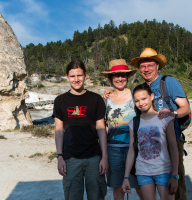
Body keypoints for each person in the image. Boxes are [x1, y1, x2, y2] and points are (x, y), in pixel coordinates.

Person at [130, 48, 191, 200]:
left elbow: (185, 108)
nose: (146, 69)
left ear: (157, 65)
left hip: (172, 140)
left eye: (150, 65)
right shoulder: (143, 89)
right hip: (151, 144)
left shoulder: (168, 82)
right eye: (143, 66)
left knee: (175, 186)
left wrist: (172, 114)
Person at [53, 60, 108, 200]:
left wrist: (105, 157)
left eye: (79, 75)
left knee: (97, 196)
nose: (76, 79)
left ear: (85, 75)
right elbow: (59, 130)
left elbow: (101, 129)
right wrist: (59, 156)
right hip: (70, 158)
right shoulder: (60, 100)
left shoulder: (96, 99)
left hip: (94, 158)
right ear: (67, 77)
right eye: (72, 76)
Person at [122, 83, 179, 200]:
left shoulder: (165, 119)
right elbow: (132, 150)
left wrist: (174, 175)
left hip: (164, 171)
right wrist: (126, 177)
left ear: (152, 96)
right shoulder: (134, 122)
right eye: (137, 100)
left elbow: (173, 147)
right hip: (143, 172)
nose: (141, 103)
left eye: (144, 99)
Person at [101, 59, 143, 200]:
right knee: (118, 190)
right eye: (116, 75)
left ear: (127, 77)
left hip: (135, 148)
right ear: (111, 78)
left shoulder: (135, 95)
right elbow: (104, 125)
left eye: (123, 75)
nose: (120, 78)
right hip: (113, 150)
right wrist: (104, 153)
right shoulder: (106, 98)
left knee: (140, 188)